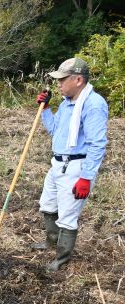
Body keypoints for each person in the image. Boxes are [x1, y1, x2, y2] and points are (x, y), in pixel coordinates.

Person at [34, 57, 108, 272]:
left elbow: (97, 144)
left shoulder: (93, 105)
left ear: (78, 80)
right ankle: (51, 242)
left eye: (62, 80)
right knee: (47, 205)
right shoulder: (67, 103)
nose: (58, 84)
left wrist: (85, 177)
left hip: (76, 167)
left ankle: (62, 258)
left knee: (67, 216)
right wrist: (45, 109)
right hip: (57, 163)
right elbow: (55, 130)